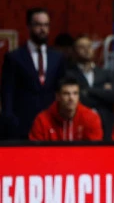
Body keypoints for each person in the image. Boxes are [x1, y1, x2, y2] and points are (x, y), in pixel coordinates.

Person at [1, 8, 67, 139]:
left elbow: (61, 88)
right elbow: (7, 92)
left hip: (51, 123)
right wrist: (9, 119)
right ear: (29, 27)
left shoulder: (57, 57)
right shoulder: (14, 57)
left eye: (46, 25)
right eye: (38, 25)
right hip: (22, 123)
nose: (43, 29)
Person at [28, 76, 103, 142]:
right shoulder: (42, 120)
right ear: (57, 96)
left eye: (75, 93)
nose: (71, 98)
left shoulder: (91, 118)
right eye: (66, 94)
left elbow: (95, 150)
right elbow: (35, 150)